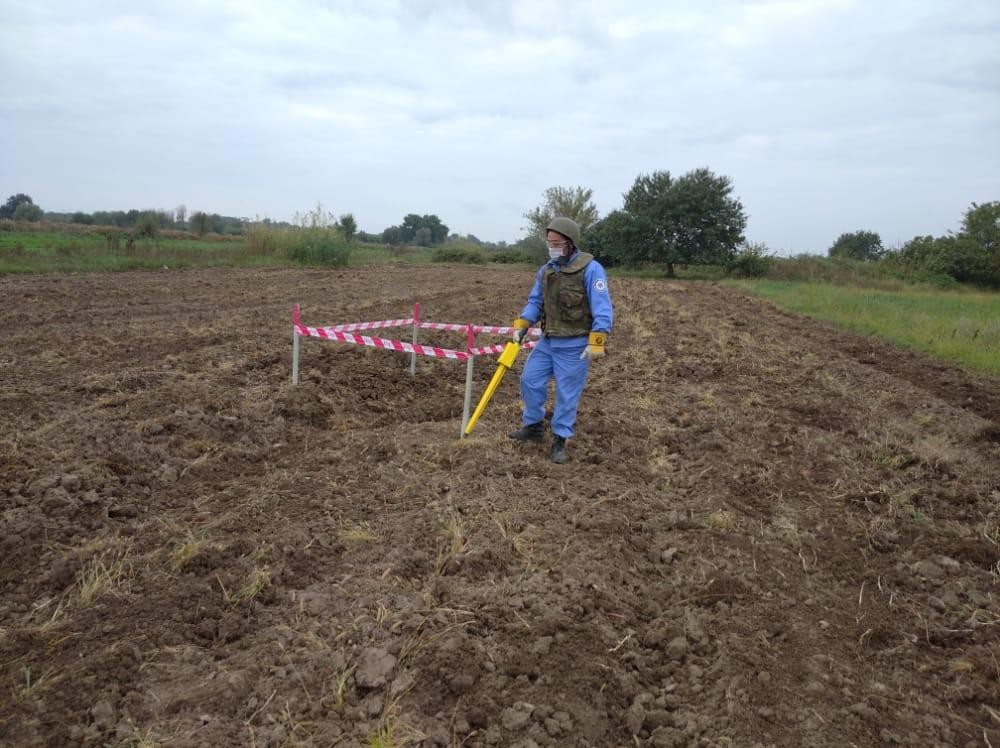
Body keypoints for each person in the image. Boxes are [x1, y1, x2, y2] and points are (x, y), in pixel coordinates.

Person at [508, 217, 614, 463]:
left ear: (570, 243)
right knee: (530, 380)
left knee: (567, 394)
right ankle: (533, 426)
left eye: (556, 243)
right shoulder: (546, 270)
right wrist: (523, 323)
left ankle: (559, 440)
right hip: (548, 341)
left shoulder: (591, 269)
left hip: (575, 344)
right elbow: (536, 302)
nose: (551, 247)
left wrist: (597, 340)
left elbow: (603, 308)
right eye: (549, 242)